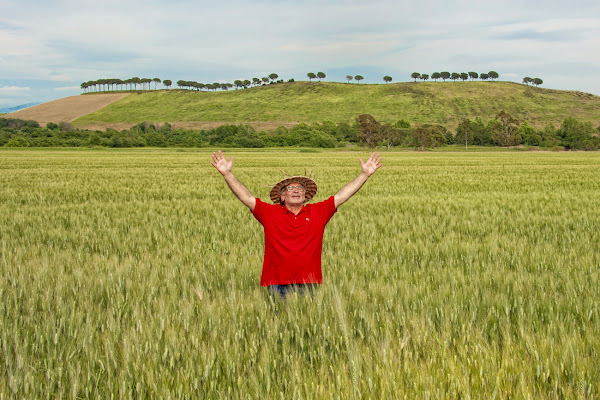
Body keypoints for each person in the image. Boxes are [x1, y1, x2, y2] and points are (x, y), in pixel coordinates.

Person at [210, 150, 382, 298]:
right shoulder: (269, 212)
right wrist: (227, 174)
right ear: (282, 197)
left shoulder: (318, 211)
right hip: (276, 283)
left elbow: (343, 195)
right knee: (278, 327)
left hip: (309, 283)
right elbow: (245, 197)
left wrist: (364, 175)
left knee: (307, 328)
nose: (296, 191)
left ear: (305, 197)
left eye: (300, 189)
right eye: (290, 189)